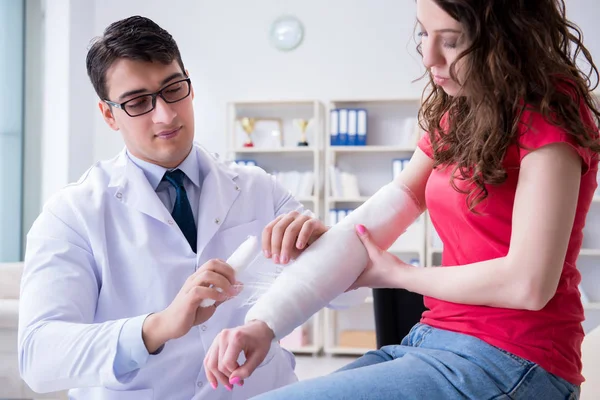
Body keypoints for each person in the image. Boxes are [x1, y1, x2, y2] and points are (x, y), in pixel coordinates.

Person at [204, 0, 600, 398]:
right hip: (433, 338)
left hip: (516, 358)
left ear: (508, 36)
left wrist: (398, 274)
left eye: (452, 40)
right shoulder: (460, 111)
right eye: (424, 34)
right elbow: (394, 202)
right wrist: (264, 323)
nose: (428, 57)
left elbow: (529, 284)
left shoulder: (551, 111)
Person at [17, 16, 328, 400]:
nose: (165, 115)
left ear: (190, 87)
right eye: (137, 102)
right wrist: (157, 327)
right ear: (109, 115)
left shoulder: (258, 187)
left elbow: (345, 294)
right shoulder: (73, 212)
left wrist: (324, 245)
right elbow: (39, 357)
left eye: (173, 89)